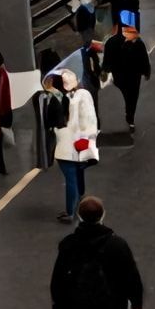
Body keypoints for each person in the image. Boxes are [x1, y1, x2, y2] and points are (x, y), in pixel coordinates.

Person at [47, 68, 99, 224]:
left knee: (71, 179)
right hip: (80, 143)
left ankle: (70, 212)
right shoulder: (81, 96)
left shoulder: (61, 99)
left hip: (67, 144)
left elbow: (53, 120)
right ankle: (79, 200)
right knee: (77, 174)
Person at [102, 19, 150, 133]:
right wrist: (146, 71)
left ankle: (125, 114)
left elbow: (107, 59)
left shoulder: (111, 42)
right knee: (133, 97)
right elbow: (144, 57)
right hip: (134, 75)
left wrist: (105, 71)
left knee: (124, 95)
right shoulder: (137, 41)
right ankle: (130, 117)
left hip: (119, 75)